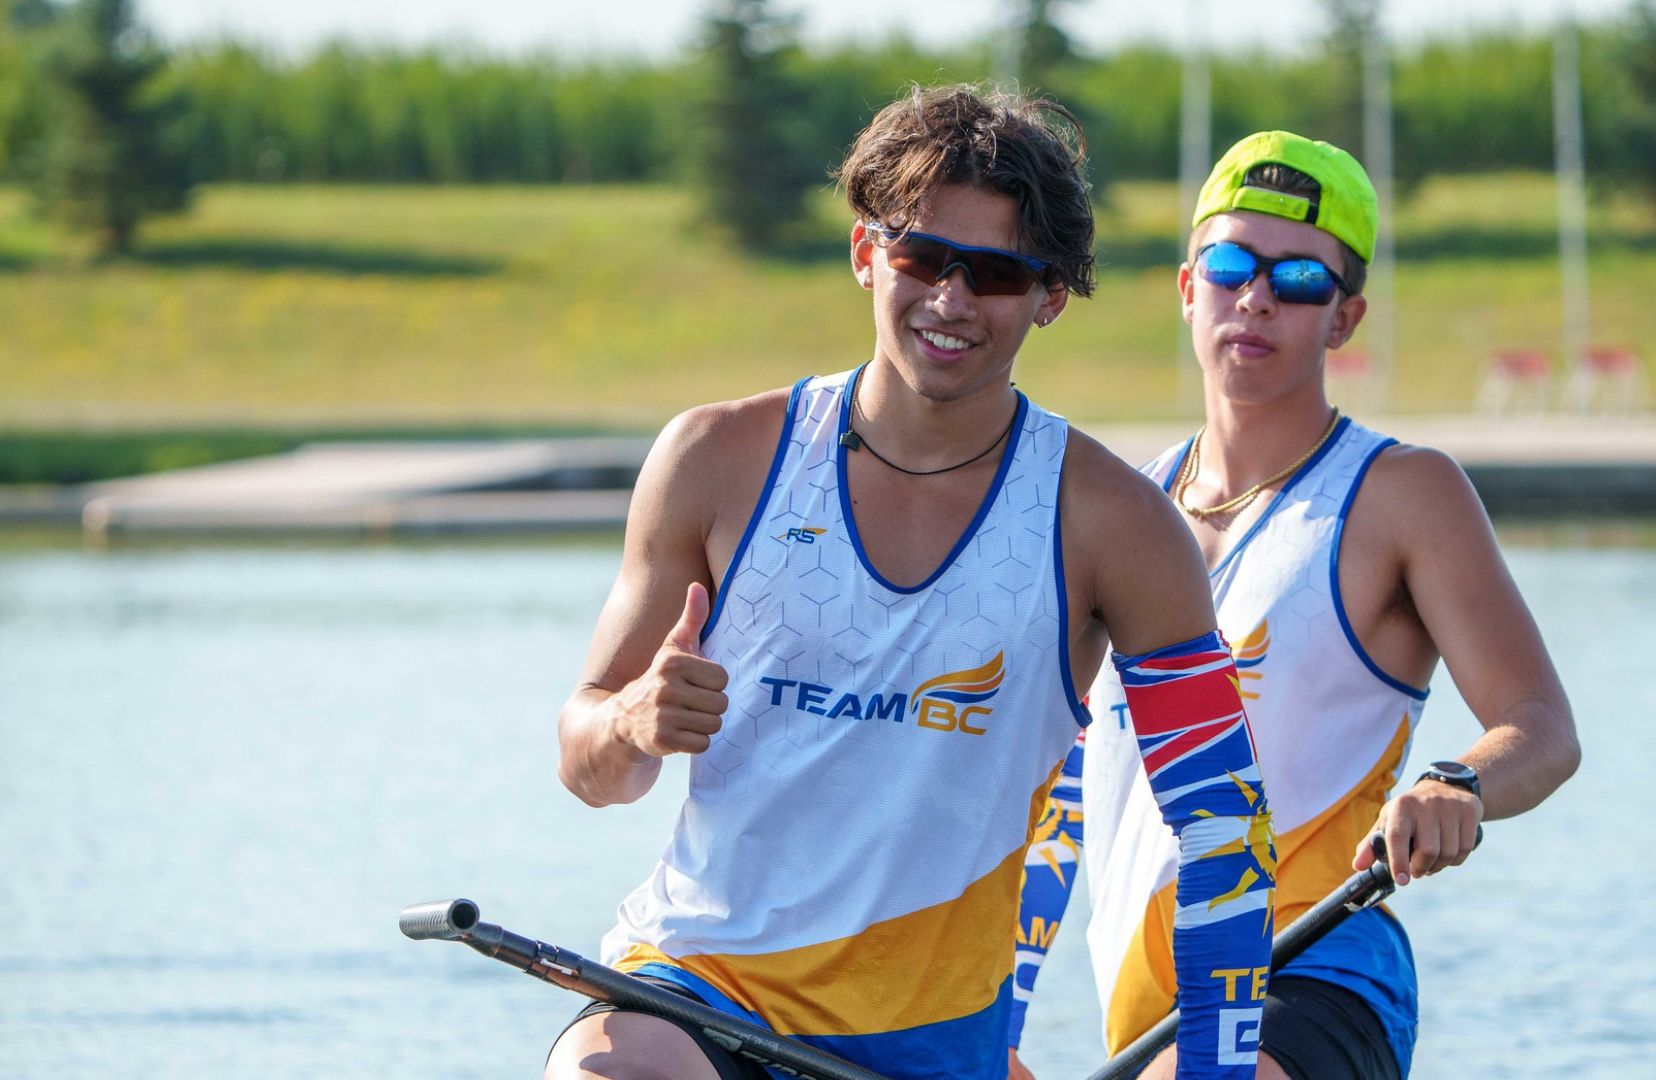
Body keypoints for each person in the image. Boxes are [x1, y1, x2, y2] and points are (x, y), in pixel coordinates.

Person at [543, 86, 1277, 1080]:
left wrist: (1220, 1071)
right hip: (697, 988)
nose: (951, 300)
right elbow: (589, 765)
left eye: (996, 274)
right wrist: (631, 721)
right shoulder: (716, 459)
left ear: (1051, 296)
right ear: (864, 255)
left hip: (927, 1043)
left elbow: (1222, 828)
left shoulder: (1116, 526)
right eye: (923, 258)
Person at [1007, 131, 1582, 1080]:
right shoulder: (1117, 508)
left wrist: (1457, 786)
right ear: (1189, 287)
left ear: (1345, 319)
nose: (1258, 297)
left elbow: (1541, 726)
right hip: (1146, 1008)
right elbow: (1030, 778)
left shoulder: (1405, 494)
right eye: (1231, 264)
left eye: (1301, 280)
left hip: (1314, 966)